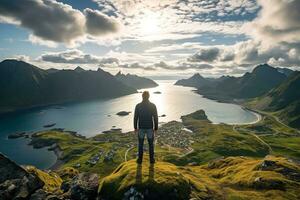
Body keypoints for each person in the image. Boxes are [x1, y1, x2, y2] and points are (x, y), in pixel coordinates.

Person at [134, 91, 158, 164]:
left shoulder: (138, 106)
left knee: (140, 144)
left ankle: (140, 160)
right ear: (149, 96)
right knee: (151, 144)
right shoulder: (153, 105)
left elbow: (135, 117)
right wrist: (156, 128)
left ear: (142, 96)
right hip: (150, 128)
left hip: (141, 127)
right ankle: (151, 160)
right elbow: (155, 117)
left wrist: (135, 127)